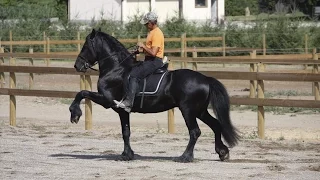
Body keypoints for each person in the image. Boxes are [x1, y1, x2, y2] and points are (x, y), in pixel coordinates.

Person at [114, 11, 165, 112]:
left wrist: (143, 46)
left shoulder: (157, 34)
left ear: (152, 22)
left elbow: (154, 53)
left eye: (147, 23)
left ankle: (129, 103)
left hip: (155, 61)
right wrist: (139, 50)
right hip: (149, 59)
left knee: (134, 74)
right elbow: (149, 50)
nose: (146, 25)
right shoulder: (151, 32)